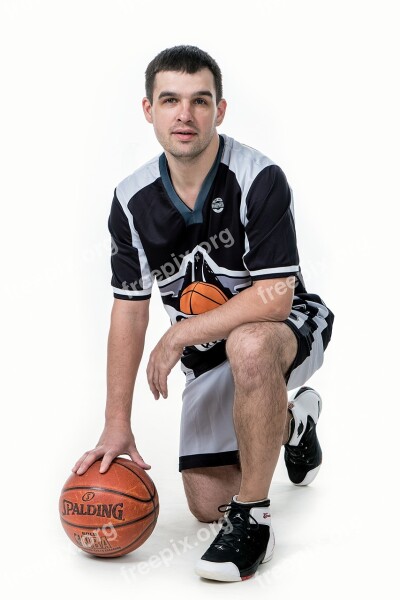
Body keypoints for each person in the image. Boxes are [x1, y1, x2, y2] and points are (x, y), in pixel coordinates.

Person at [72, 45, 334, 582]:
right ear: (149, 110)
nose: (184, 114)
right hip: (209, 359)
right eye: (170, 100)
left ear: (220, 110)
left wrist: (179, 336)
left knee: (251, 345)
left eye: (200, 101)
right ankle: (291, 422)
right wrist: (116, 423)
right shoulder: (131, 199)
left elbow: (274, 298)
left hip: (290, 330)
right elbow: (128, 309)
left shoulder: (258, 177)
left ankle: (254, 518)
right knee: (205, 502)